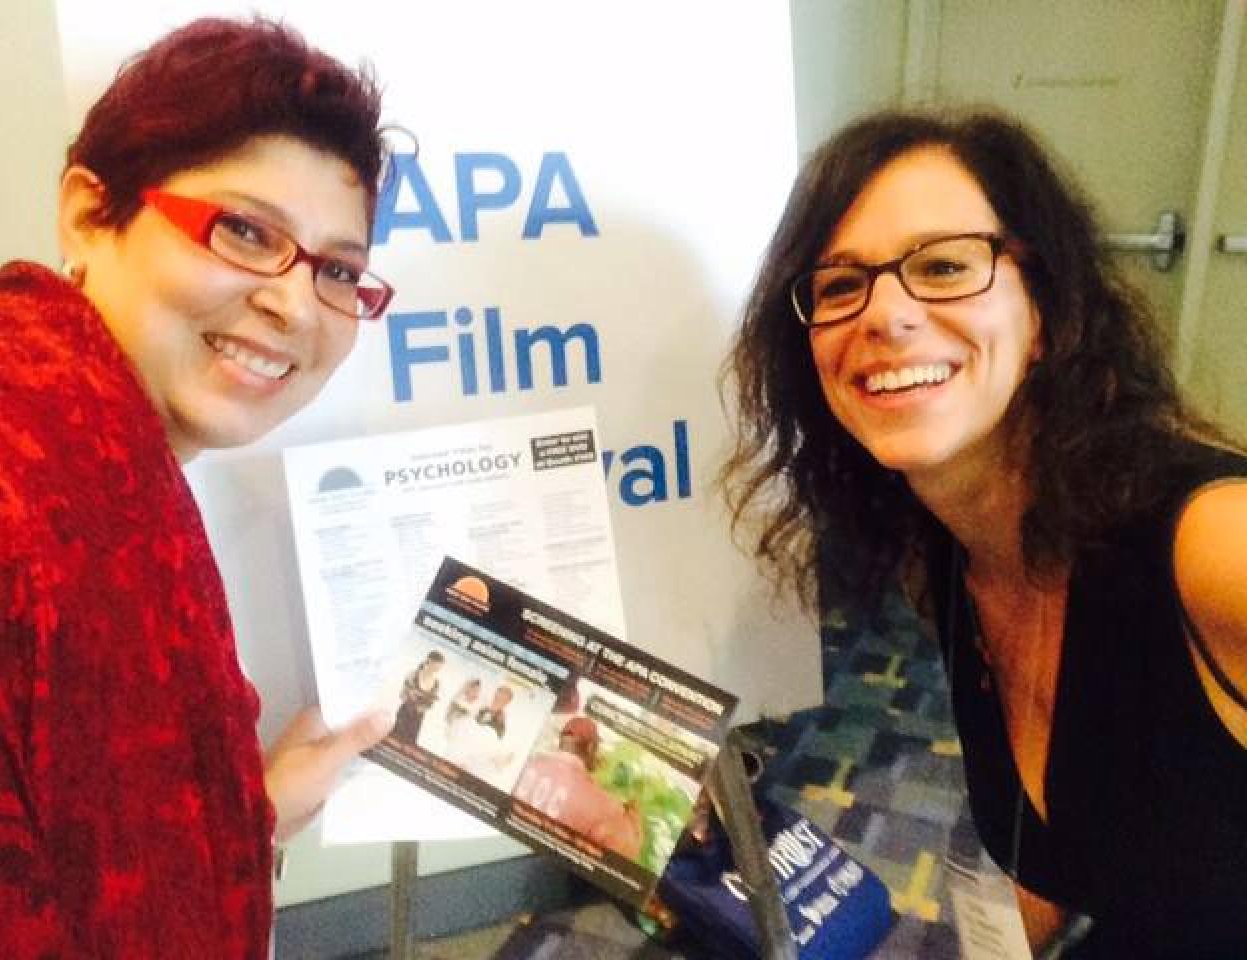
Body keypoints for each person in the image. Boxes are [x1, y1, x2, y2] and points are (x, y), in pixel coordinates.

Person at [722, 108, 1247, 958]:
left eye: (943, 265)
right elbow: (1062, 861)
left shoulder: (1211, 545)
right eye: (840, 285)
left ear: (1048, 313)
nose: (885, 314)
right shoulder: (943, 559)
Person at [0, 17, 399, 957]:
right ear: (89, 212)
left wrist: (248, 811)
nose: (292, 303)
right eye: (244, 231)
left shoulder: (101, 460)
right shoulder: (13, 464)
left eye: (338, 270)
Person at [513, 716, 642, 860]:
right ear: (591, 747)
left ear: (561, 742)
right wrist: (633, 820)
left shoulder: (524, 765)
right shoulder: (604, 807)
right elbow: (625, 856)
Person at [392, 650, 446, 743]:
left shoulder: (436, 683)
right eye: (435, 666)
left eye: (438, 668)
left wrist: (421, 706)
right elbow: (402, 694)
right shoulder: (414, 674)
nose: (436, 669)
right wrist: (411, 696)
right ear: (429, 661)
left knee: (409, 743)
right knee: (394, 737)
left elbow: (430, 704)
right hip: (404, 712)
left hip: (418, 717)